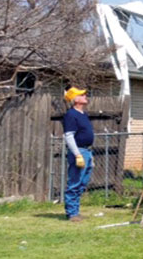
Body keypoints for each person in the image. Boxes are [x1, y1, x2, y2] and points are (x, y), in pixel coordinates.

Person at [62, 86, 94, 222]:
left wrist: (89, 156)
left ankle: (76, 210)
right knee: (75, 182)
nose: (85, 96)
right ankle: (72, 213)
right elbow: (69, 136)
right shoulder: (71, 115)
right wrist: (77, 154)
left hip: (86, 151)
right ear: (76, 99)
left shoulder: (83, 114)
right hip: (79, 151)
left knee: (83, 182)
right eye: (82, 95)